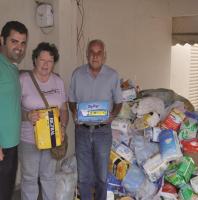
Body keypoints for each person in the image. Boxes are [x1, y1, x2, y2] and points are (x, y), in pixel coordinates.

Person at [69, 39, 122, 200]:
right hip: (82, 131)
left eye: (99, 53)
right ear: (87, 54)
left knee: (101, 177)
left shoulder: (113, 75)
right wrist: (74, 112)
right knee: (84, 178)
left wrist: (112, 115)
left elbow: (119, 102)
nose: (95, 56)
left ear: (104, 56)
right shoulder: (77, 74)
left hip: (102, 132)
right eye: (92, 52)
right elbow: (71, 100)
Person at [19, 42, 69, 200]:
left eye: (50, 61)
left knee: (48, 177)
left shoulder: (58, 81)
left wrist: (62, 125)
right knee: (29, 179)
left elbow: (64, 109)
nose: (46, 64)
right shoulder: (23, 80)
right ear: (35, 59)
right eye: (42, 60)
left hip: (52, 138)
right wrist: (27, 116)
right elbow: (12, 109)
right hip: (28, 139)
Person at [0, 21, 28, 200]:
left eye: (23, 42)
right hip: (2, 146)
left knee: (6, 191)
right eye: (14, 41)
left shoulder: (11, 67)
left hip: (11, 144)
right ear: (2, 40)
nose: (19, 47)